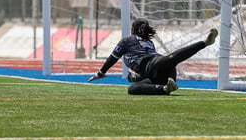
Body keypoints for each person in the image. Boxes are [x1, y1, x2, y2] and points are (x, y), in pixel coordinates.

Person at [88, 18, 218, 95]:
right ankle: (165, 88)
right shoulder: (148, 42)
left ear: (133, 30)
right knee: (133, 89)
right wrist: (135, 78)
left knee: (172, 58)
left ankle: (205, 43)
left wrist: (101, 73)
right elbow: (147, 73)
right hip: (161, 75)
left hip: (155, 64)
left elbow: (112, 58)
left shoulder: (126, 41)